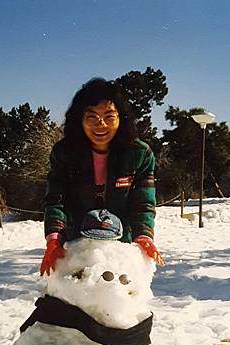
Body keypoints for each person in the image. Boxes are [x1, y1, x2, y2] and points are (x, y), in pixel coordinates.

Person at [40, 78, 163, 275]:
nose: (101, 125)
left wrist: (144, 236)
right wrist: (54, 239)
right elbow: (56, 199)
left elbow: (143, 203)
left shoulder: (140, 154)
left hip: (121, 245)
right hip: (76, 243)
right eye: (92, 117)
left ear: (120, 118)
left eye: (109, 116)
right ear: (79, 119)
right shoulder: (64, 152)